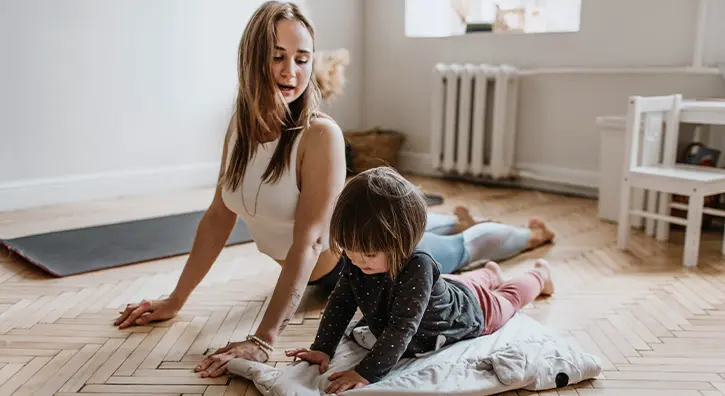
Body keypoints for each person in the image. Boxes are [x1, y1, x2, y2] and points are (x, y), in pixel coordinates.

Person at [112, 0, 555, 379]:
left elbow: (309, 242)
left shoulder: (319, 135)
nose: (291, 71)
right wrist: (176, 299)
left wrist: (263, 340)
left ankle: (529, 238)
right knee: (443, 239)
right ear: (251, 57)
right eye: (277, 56)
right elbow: (217, 217)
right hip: (347, 261)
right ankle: (448, 222)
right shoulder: (239, 129)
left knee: (460, 248)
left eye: (302, 59)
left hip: (370, 263)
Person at [286, 167, 555, 394]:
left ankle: (539, 275)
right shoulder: (359, 261)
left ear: (402, 242)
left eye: (368, 254)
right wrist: (323, 347)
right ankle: (490, 273)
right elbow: (341, 302)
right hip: (448, 288)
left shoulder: (418, 265)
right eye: (350, 252)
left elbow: (401, 328)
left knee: (507, 298)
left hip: (471, 310)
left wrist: (364, 372)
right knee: (463, 282)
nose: (357, 261)